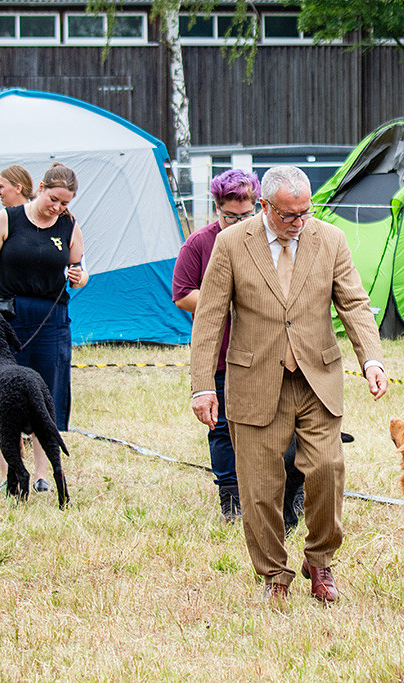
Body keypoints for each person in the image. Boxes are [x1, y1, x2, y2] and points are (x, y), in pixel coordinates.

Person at [190, 165, 387, 602]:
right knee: (259, 487)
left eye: (305, 212)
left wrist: (371, 358)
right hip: (255, 379)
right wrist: (202, 385)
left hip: (317, 377)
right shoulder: (230, 245)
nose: (299, 222)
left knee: (327, 470)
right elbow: (209, 318)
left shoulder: (330, 240)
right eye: (289, 215)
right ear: (264, 207)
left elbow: (354, 303)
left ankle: (320, 562)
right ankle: (274, 574)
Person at [172, 169, 306, 526]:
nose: (236, 222)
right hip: (222, 354)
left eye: (245, 215)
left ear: (259, 206)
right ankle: (231, 499)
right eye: (229, 216)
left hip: (269, 353)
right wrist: (226, 300)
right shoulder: (200, 243)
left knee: (286, 426)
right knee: (223, 430)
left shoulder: (274, 238)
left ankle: (292, 493)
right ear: (217, 210)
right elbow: (183, 293)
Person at [0, 163, 88, 492]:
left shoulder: (69, 224)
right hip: (8, 319)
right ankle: (10, 470)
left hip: (50, 321)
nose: (58, 208)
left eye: (65, 203)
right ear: (41, 188)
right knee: (4, 395)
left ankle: (41, 474)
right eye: (53, 199)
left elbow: (79, 268)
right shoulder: (9, 219)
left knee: (45, 395)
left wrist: (79, 277)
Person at [0, 165, 37, 487]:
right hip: (4, 308)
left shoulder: (35, 221)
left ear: (18, 187)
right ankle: (9, 471)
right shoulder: (2, 219)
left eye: (1, 186)